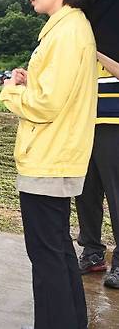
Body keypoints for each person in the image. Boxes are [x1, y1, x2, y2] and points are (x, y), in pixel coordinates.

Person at [0, 0, 96, 329]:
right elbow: (55, 90)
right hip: (54, 155)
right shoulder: (66, 29)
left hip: (49, 157)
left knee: (46, 253)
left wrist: (11, 90)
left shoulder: (68, 31)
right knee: (56, 251)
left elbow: (48, 103)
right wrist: (30, 79)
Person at [76, 50, 119, 289]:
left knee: (116, 196)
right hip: (84, 126)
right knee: (85, 194)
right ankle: (92, 253)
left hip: (115, 126)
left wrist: (97, 51)